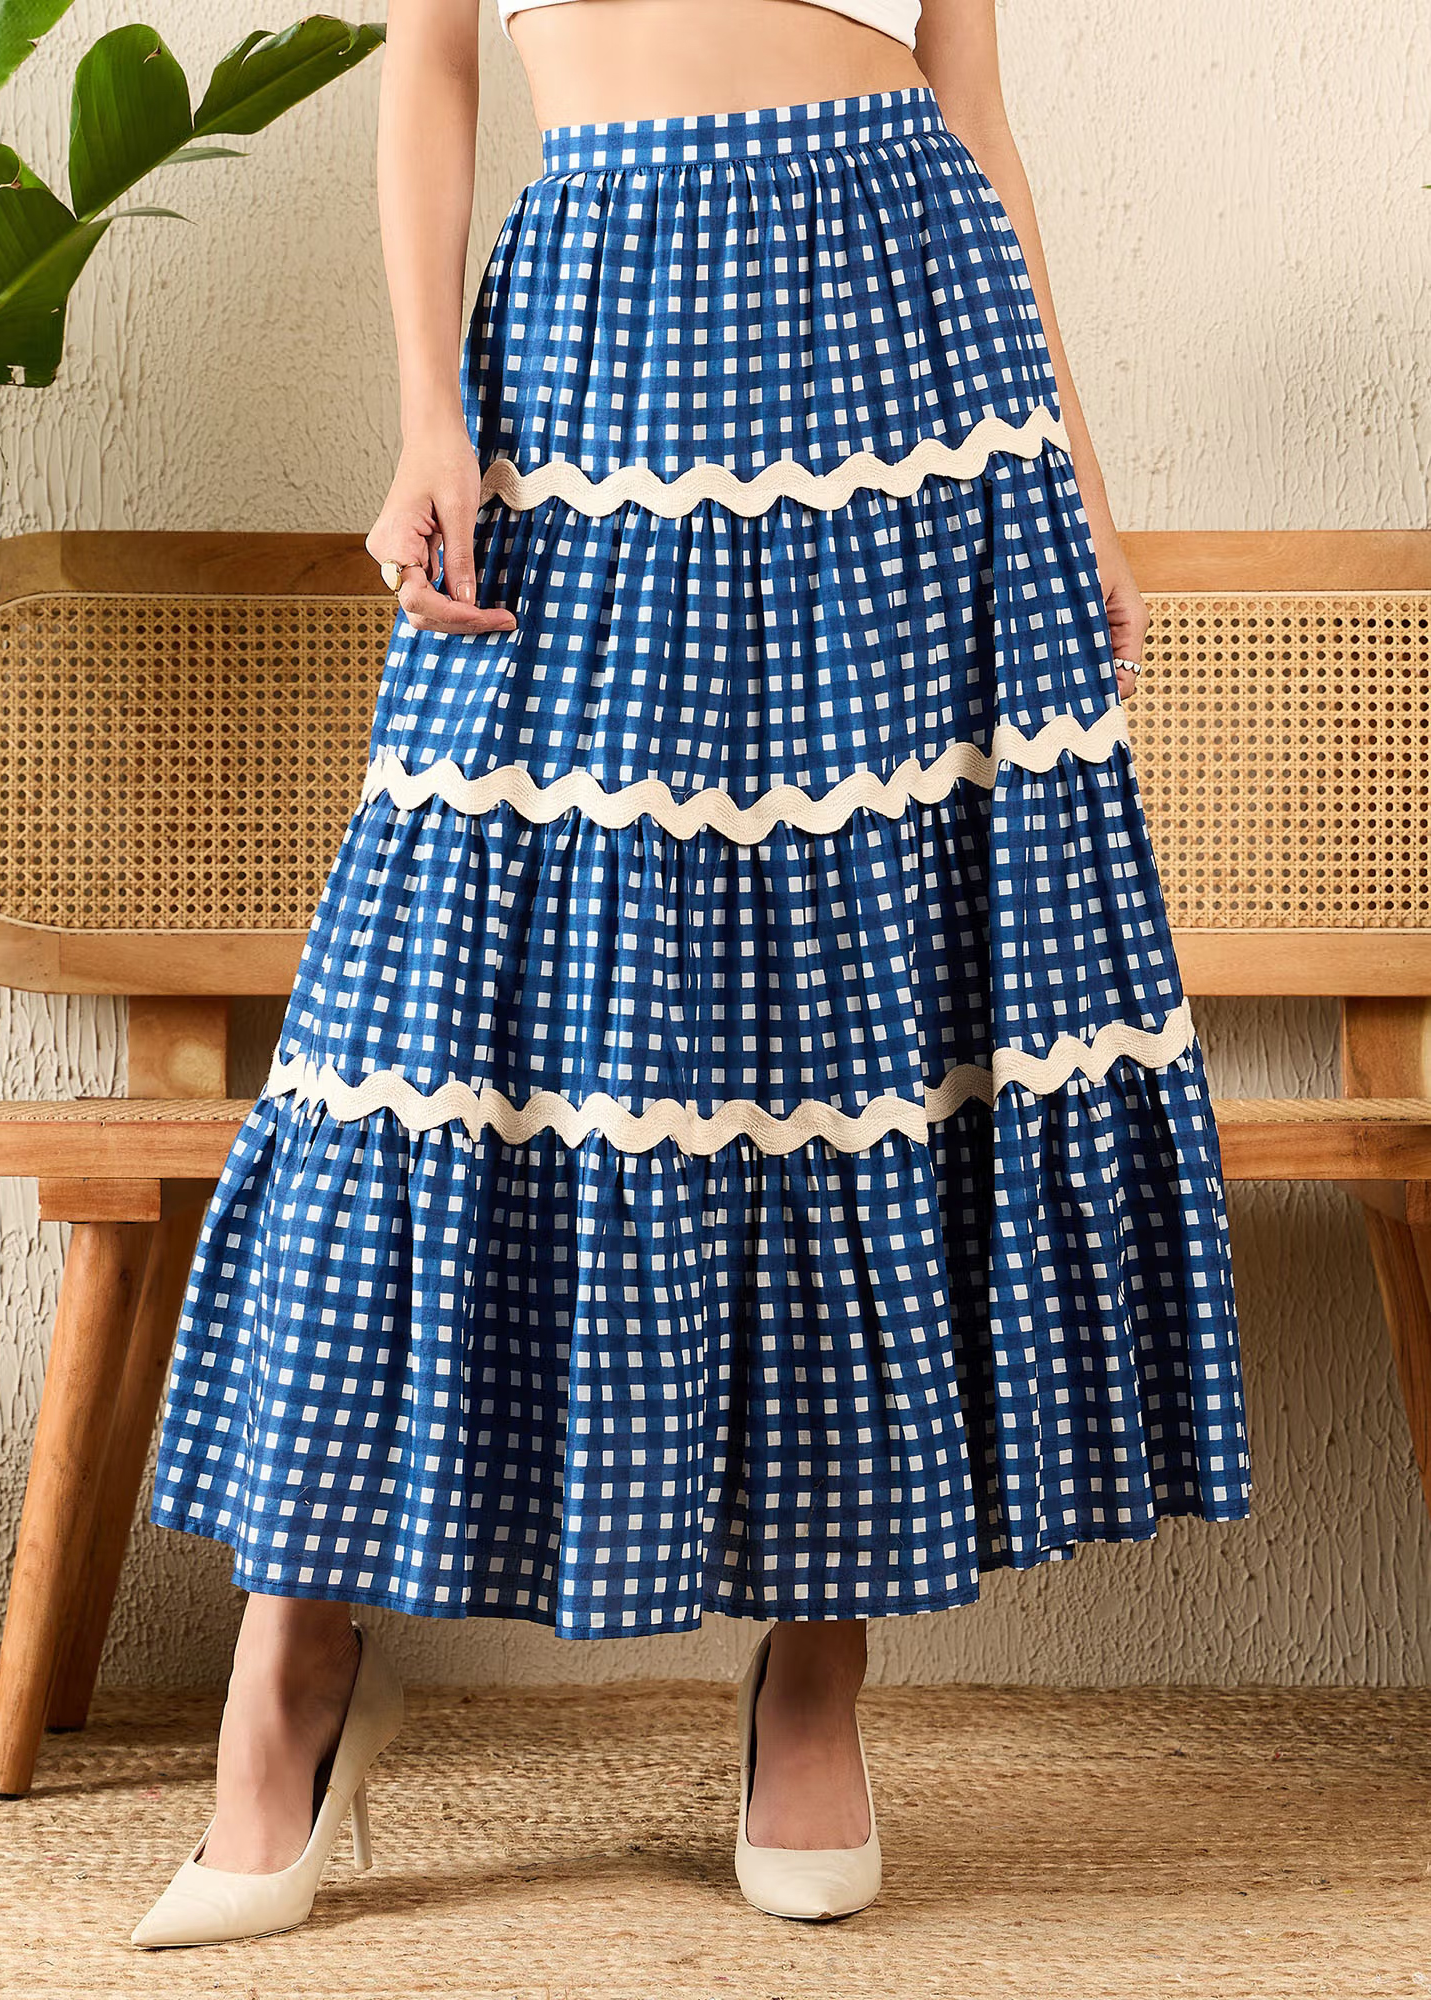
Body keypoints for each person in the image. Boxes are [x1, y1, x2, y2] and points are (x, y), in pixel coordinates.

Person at [131, 0, 1252, 1949]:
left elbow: (968, 95)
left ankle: (816, 1675)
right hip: (599, 324)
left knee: (862, 997)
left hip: (911, 343)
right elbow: (434, 61)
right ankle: (292, 1674)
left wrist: (1068, 479)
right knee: (440, 997)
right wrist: (426, 415)